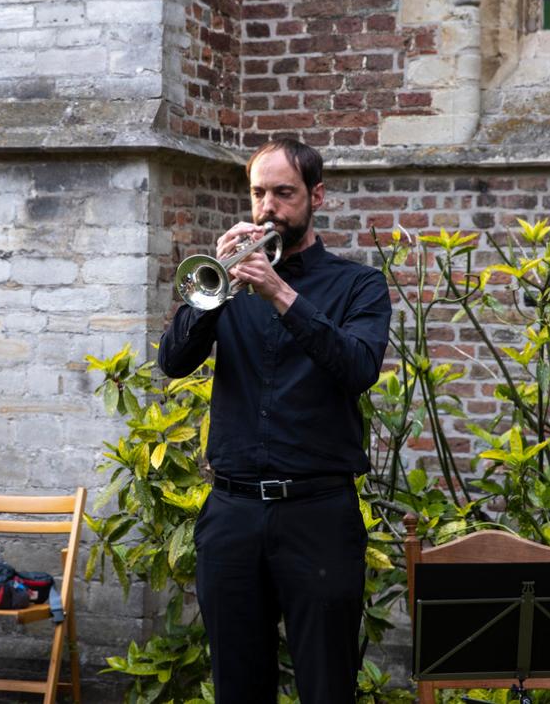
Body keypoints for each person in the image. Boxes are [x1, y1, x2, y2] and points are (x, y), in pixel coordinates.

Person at [157, 139, 392, 703]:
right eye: (259, 193)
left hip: (318, 514)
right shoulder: (229, 283)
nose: (268, 208)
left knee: (326, 684)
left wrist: (282, 294)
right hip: (232, 513)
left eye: (284, 194)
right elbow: (173, 361)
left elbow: (358, 367)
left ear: (316, 196)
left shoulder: (357, 285)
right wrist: (209, 296)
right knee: (238, 685)